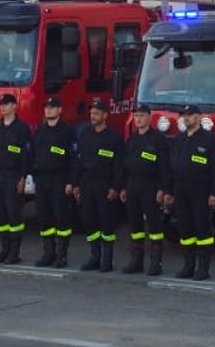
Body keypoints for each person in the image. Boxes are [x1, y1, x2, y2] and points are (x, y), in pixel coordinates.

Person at [167, 105, 215, 281]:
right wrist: (169, 191)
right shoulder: (179, 139)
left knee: (202, 229)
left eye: (190, 115)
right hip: (180, 190)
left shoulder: (210, 140)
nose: (186, 118)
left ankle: (203, 268)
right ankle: (188, 266)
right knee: (184, 228)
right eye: (184, 115)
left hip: (201, 190)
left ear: (199, 117)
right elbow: (172, 167)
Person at [72, 99, 125, 273]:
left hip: (105, 186)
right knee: (89, 221)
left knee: (106, 223)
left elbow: (119, 165)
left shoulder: (114, 137)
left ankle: (107, 260)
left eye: (96, 113)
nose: (92, 116)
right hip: (87, 184)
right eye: (91, 113)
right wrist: (77, 184)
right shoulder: (85, 134)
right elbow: (79, 161)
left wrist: (115, 187)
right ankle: (95, 256)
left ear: (105, 115)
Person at [117, 104, 170, 275]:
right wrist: (123, 187)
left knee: (154, 224)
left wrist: (162, 189)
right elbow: (125, 165)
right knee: (135, 224)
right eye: (136, 115)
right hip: (132, 185)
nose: (138, 119)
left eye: (141, 115)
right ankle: (136, 261)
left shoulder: (158, 139)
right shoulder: (132, 139)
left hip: (150, 186)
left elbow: (164, 167)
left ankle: (156, 264)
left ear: (149, 117)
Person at [0, 93, 33, 265]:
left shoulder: (22, 128)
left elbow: (26, 155)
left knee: (14, 214)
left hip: (13, 175)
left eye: (5, 104)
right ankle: (4, 248)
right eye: (1, 104)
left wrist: (23, 177)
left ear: (14, 106)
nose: (2, 107)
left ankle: (15, 251)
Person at [30, 96, 76, 268]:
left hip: (60, 179)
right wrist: (34, 176)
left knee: (61, 218)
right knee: (44, 217)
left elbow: (73, 158)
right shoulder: (40, 131)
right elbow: (33, 154)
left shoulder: (67, 131)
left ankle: (62, 255)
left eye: (52, 107)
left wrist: (71, 181)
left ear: (59, 110)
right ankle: (48, 253)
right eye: (46, 107)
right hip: (42, 180)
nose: (48, 110)